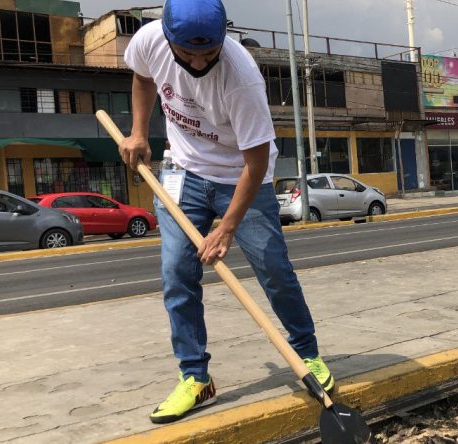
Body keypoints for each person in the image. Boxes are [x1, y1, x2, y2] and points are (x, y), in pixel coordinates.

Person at [119, 0, 333, 424]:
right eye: (188, 53)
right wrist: (139, 132)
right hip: (183, 169)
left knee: (273, 268)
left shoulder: (242, 77)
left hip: (241, 176)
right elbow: (142, 78)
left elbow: (255, 164)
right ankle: (195, 377)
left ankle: (307, 353)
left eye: (208, 52)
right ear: (167, 38)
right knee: (177, 272)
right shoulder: (149, 41)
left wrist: (227, 228)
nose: (198, 62)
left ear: (222, 39)